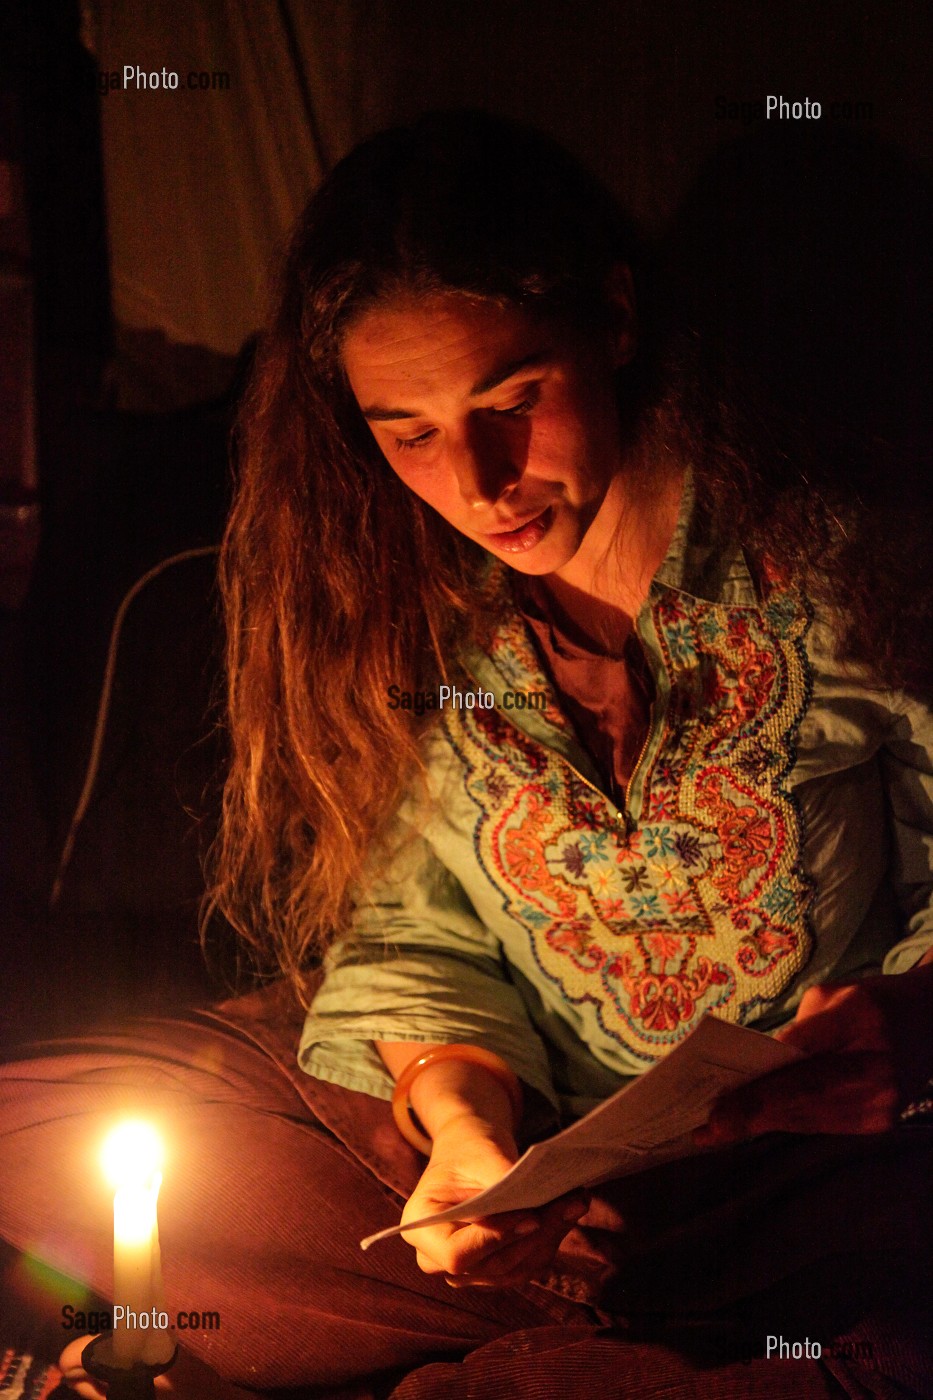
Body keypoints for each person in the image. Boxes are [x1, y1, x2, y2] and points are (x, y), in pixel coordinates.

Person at [3, 110, 933, 1399]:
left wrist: (909, 1028)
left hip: (794, 1179)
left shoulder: (847, 575)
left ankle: (611, 1339)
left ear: (611, 322)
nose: (482, 481)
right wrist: (463, 1134)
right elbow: (414, 938)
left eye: (513, 400)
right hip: (525, 1155)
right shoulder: (415, 609)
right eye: (412, 432)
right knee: (43, 1120)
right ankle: (587, 1329)